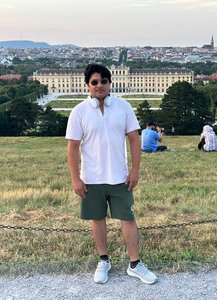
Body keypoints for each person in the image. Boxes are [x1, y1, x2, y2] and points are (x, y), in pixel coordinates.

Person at [66, 63, 158, 285]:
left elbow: (134, 140)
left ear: (110, 82)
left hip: (119, 175)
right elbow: (73, 147)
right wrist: (75, 178)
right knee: (97, 220)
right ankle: (103, 260)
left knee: (128, 218)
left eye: (104, 81)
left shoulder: (123, 107)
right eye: (94, 82)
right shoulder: (78, 111)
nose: (99, 85)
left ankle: (135, 264)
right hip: (92, 177)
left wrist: (135, 170)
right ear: (87, 85)